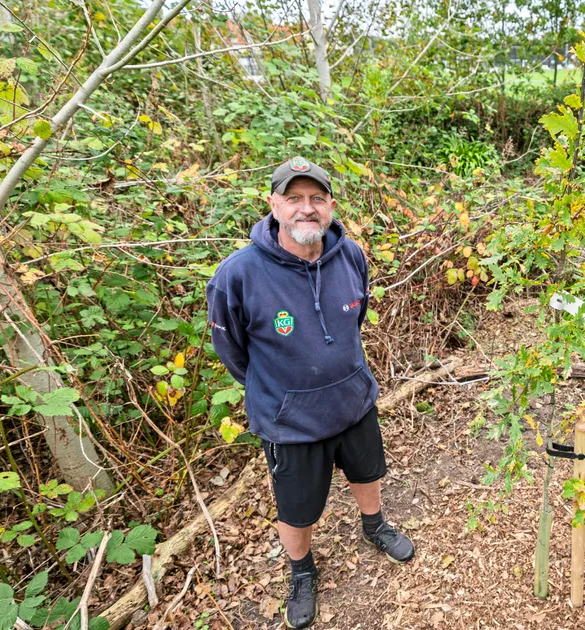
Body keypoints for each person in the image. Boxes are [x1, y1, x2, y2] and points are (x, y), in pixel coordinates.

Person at [206, 157, 414, 629]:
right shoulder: (237, 274)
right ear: (274, 205)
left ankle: (374, 524)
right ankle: (301, 571)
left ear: (331, 206)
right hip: (289, 420)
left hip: (353, 402)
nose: (307, 208)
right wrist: (282, 390)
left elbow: (352, 322)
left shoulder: (352, 255)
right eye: (294, 198)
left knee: (367, 472)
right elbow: (233, 351)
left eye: (316, 198)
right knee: (296, 508)